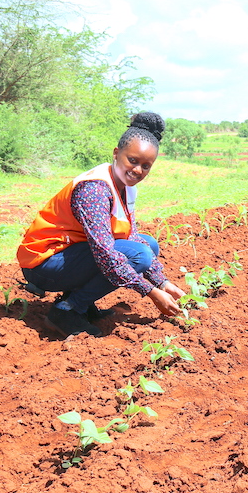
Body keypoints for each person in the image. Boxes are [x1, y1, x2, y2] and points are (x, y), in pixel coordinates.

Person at [17, 112, 185, 337]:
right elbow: (105, 255)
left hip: (71, 254)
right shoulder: (95, 190)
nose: (137, 170)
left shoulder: (125, 186)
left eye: (146, 166)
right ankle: (65, 311)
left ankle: (81, 303)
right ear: (117, 153)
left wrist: (163, 283)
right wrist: (152, 292)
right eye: (132, 161)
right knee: (139, 255)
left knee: (148, 245)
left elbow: (131, 236)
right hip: (44, 264)